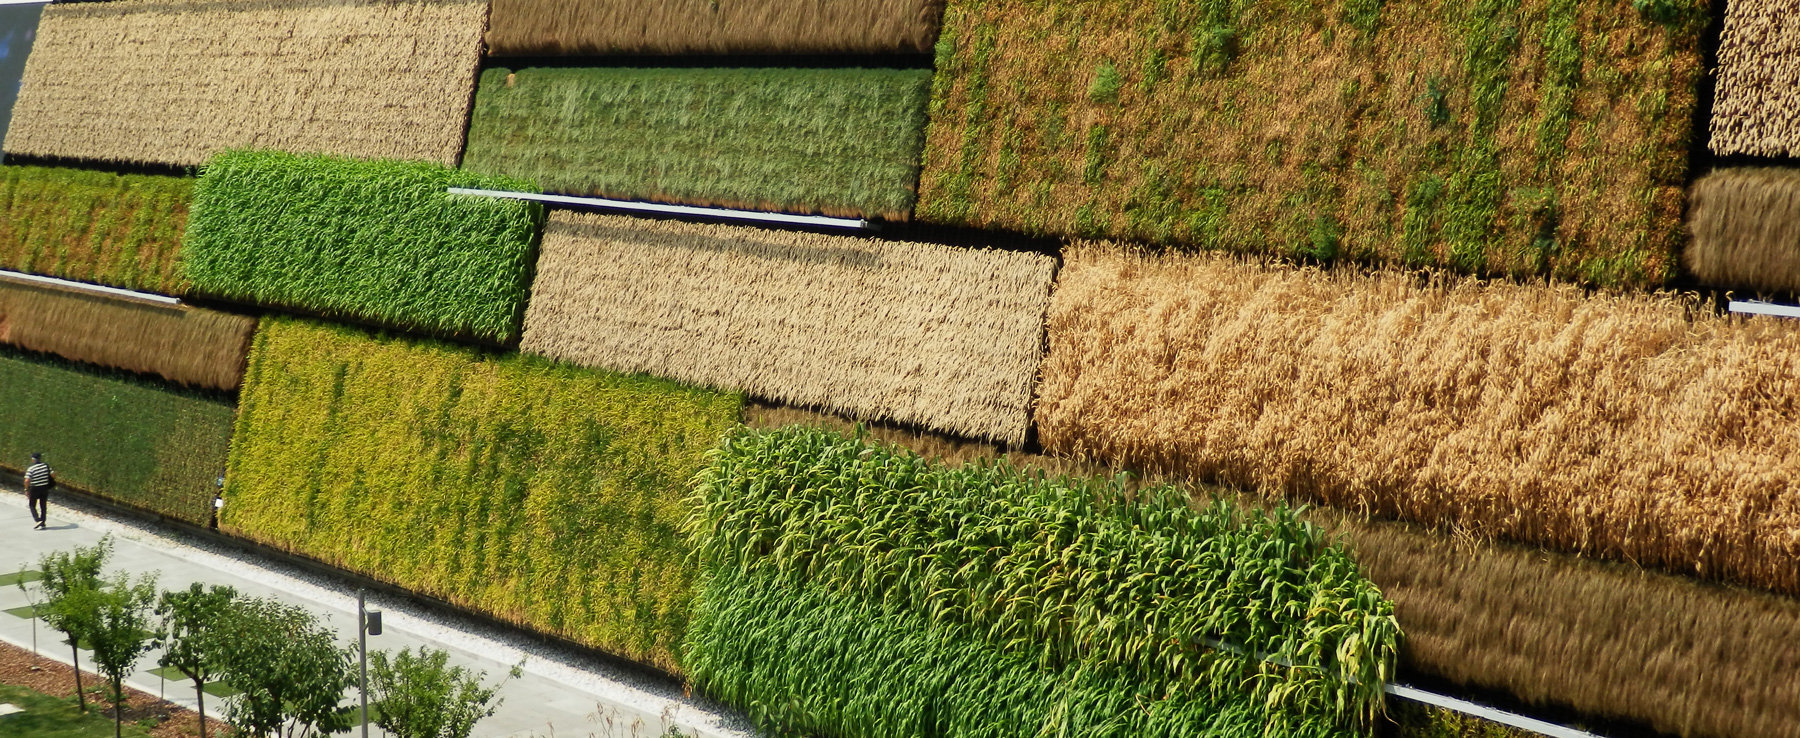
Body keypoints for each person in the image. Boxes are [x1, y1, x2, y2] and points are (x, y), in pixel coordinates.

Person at [24, 452, 52, 530]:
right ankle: (43, 522)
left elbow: (27, 480)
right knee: (43, 505)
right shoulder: (45, 466)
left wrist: (26, 489)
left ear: (33, 459)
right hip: (44, 488)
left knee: (32, 505)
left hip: (34, 488)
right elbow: (53, 474)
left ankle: (37, 520)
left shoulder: (31, 468)